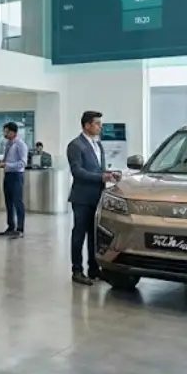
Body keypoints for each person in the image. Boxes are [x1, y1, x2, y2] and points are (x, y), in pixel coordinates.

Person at [67, 110, 120, 286]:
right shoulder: (75, 145)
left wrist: (109, 174)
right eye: (97, 124)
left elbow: (98, 169)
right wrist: (100, 177)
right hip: (82, 198)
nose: (100, 127)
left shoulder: (98, 145)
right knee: (79, 234)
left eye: (100, 124)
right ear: (87, 125)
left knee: (94, 236)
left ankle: (94, 269)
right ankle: (77, 270)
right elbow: (77, 171)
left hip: (97, 197)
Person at [0, 122, 28, 238]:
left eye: (7, 131)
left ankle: (20, 229)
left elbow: (23, 163)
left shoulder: (20, 145)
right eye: (4, 131)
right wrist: (0, 164)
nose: (5, 134)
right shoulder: (7, 144)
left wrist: (7, 165)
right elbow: (7, 160)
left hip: (17, 176)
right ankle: (10, 227)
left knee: (18, 202)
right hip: (7, 175)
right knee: (8, 202)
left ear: (13, 132)